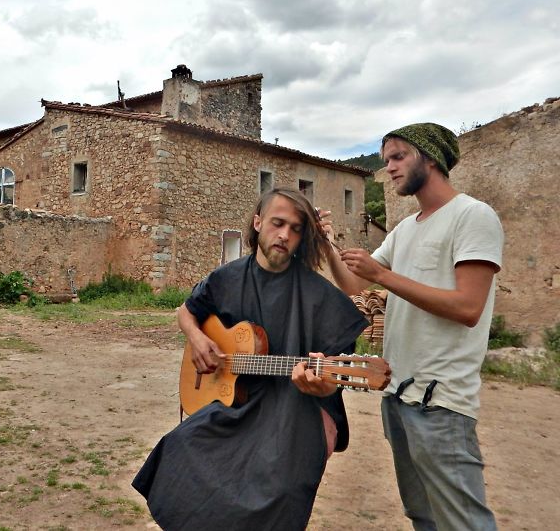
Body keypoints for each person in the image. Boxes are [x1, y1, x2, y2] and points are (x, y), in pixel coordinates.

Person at [132, 187, 368, 530]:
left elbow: (335, 368)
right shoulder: (226, 277)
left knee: (278, 488)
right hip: (234, 404)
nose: (285, 235)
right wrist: (198, 340)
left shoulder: (317, 294)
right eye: (278, 223)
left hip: (290, 409)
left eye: (296, 229)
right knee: (178, 450)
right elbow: (187, 312)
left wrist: (321, 388)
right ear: (258, 223)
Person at [322, 123, 503, 531]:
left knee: (463, 523)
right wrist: (326, 242)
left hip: (441, 403)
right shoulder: (405, 229)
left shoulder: (472, 216)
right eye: (386, 160)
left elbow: (468, 307)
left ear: (431, 158)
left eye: (398, 157)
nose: (388, 168)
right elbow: (354, 283)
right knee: (423, 518)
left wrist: (383, 276)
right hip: (398, 397)